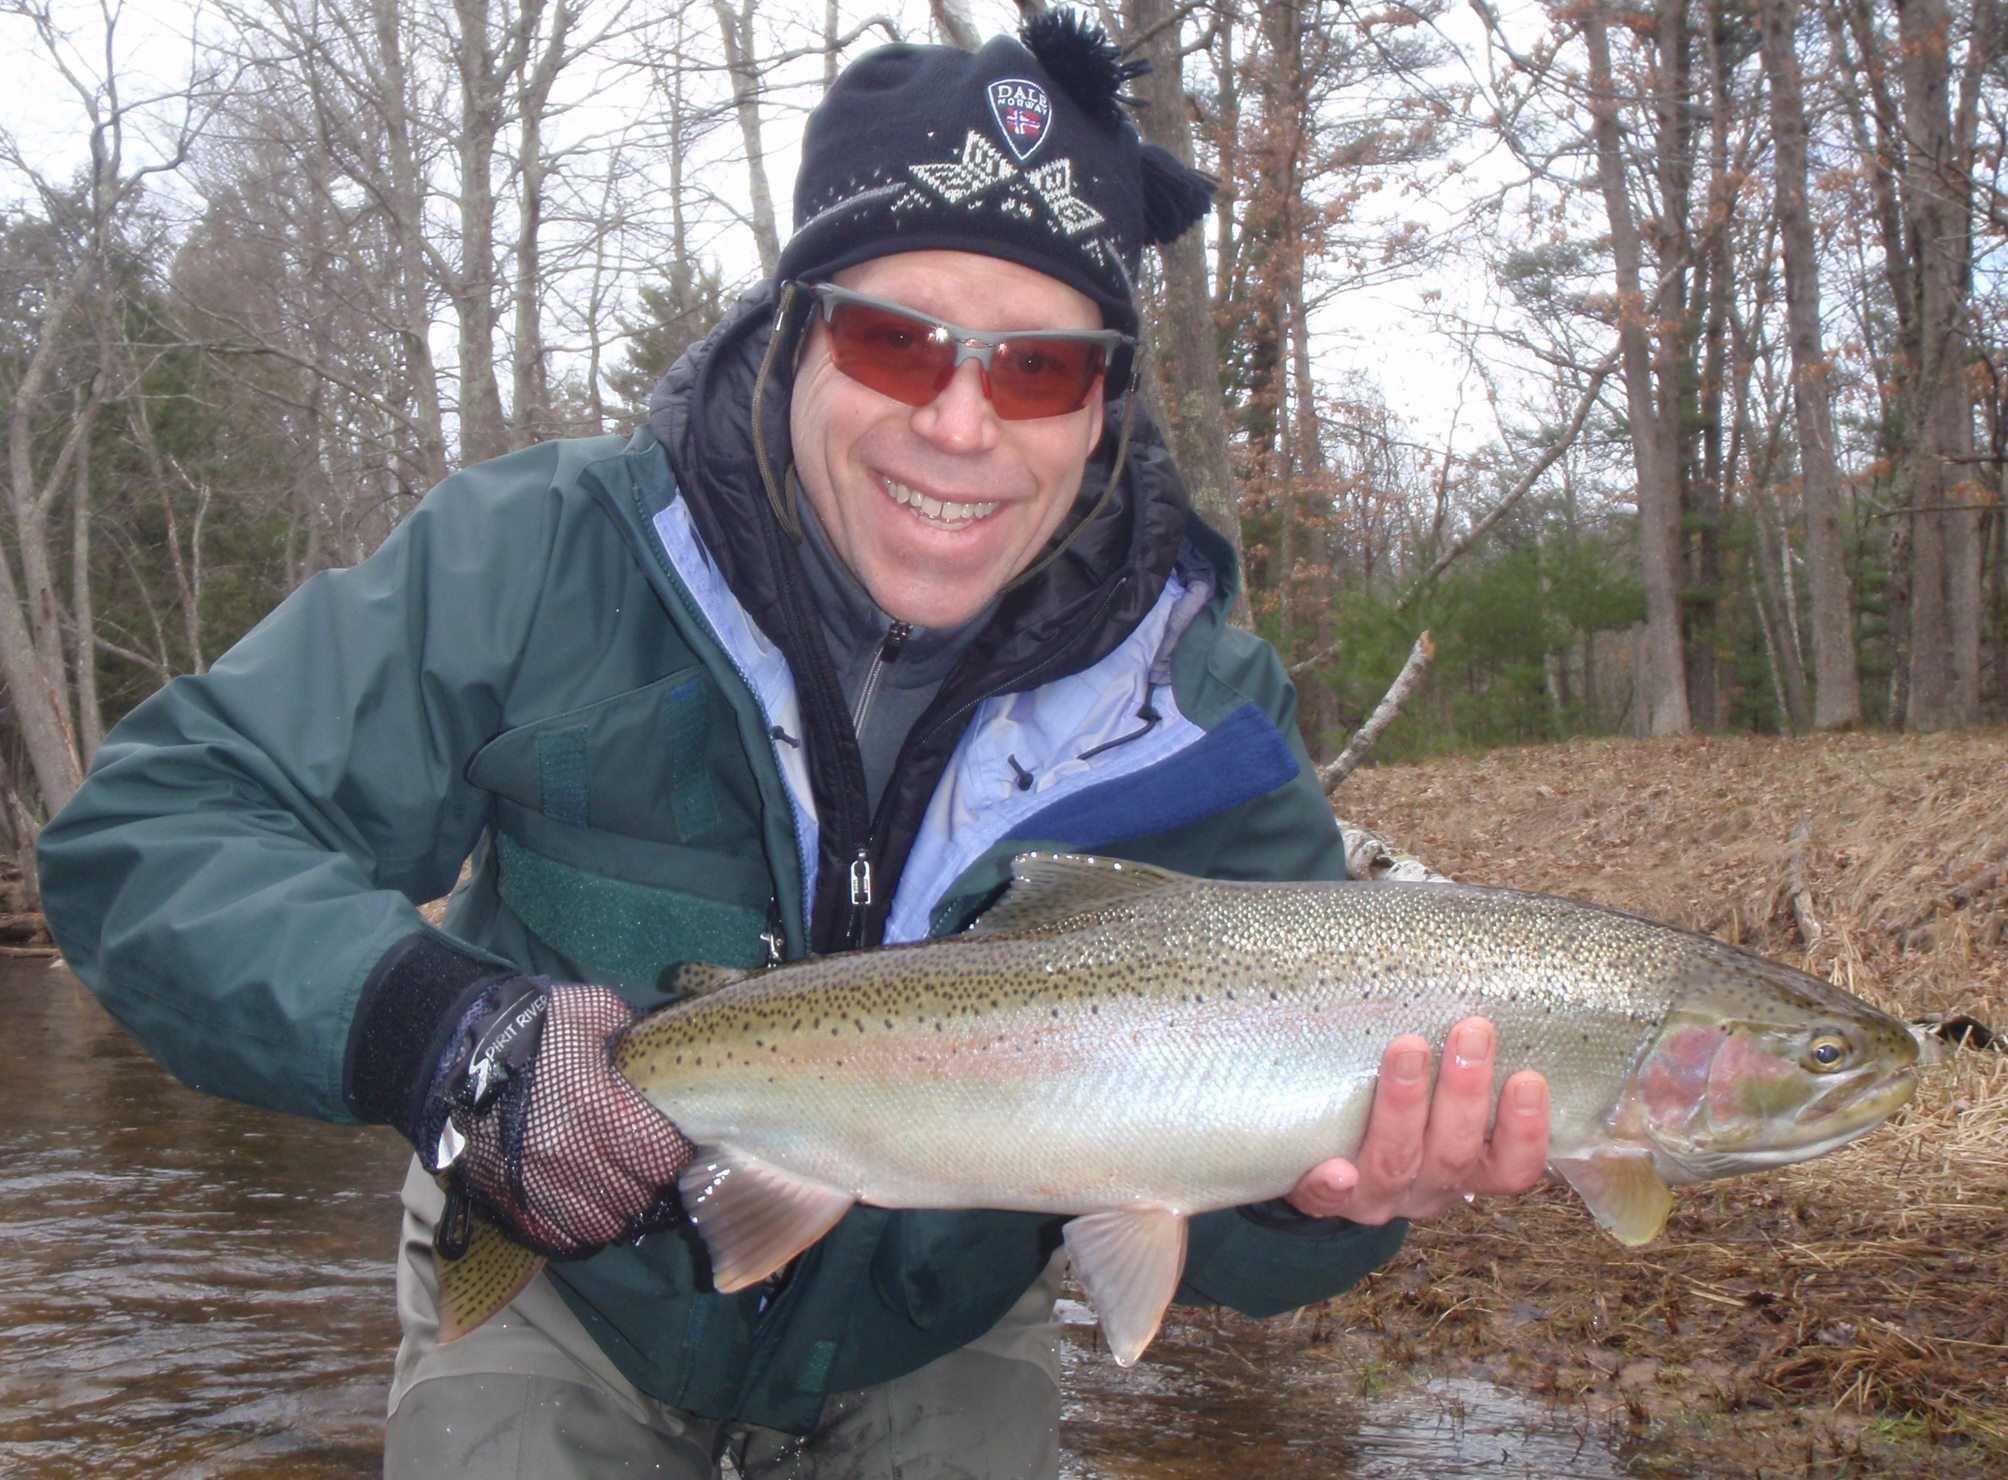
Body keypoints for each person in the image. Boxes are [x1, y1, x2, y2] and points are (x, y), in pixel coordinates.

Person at [37, 12, 1549, 1477]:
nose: (960, 425)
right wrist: (442, 1037)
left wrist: (1323, 1206)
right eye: (899, 343)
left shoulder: (1206, 726)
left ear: (1104, 405)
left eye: (1037, 367)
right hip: (572, 1291)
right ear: (793, 337)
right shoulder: (543, 558)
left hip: (935, 1328)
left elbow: (1236, 1263)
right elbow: (153, 837)